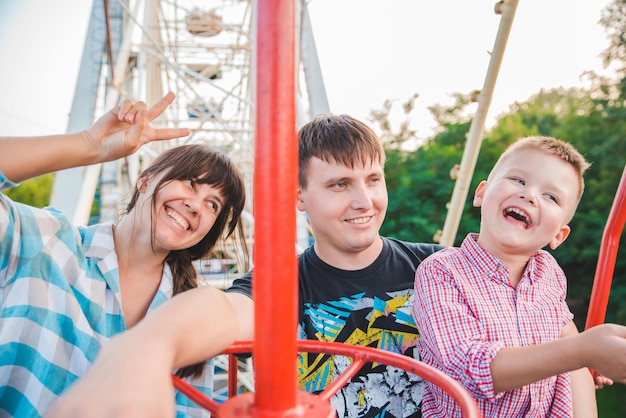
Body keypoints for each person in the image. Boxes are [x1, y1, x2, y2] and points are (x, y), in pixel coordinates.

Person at [48, 116, 626, 418]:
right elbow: (220, 310)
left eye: (372, 180)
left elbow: (553, 331)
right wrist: (145, 350)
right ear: (300, 198)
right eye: (339, 185)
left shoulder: (442, 267)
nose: (363, 200)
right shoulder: (284, 287)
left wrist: (580, 359)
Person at [0, 92, 250, 417]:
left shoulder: (193, 321)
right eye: (189, 183)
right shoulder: (44, 241)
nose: (195, 205)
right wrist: (88, 144)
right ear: (144, 181)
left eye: (212, 204)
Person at [411, 136, 605, 417]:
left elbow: (567, 341)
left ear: (558, 235)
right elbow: (468, 369)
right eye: (518, 180)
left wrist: (588, 353)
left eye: (551, 196)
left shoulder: (549, 274)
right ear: (481, 194)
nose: (530, 195)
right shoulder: (442, 271)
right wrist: (581, 351)